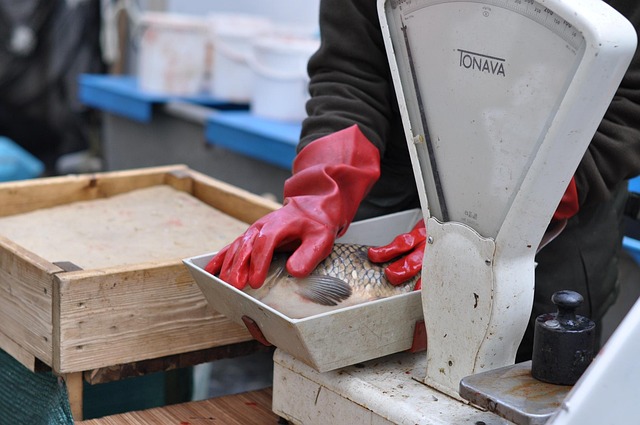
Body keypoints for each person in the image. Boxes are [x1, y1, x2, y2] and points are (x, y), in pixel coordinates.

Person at [207, 0, 640, 360]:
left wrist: (512, 207)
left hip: (554, 224)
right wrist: (322, 186)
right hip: (397, 190)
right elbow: (352, 71)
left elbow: (629, 105)